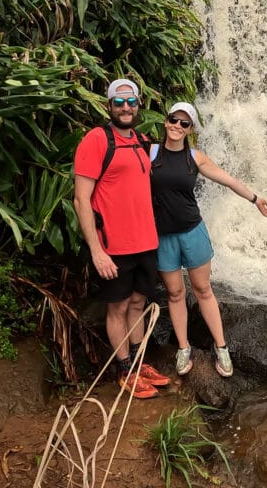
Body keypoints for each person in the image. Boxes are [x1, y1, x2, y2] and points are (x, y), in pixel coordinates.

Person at [150, 101, 267, 377]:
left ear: (190, 129)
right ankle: (183, 347)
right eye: (173, 120)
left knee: (203, 289)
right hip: (163, 236)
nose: (177, 126)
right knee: (175, 293)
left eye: (184, 123)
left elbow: (227, 180)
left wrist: (255, 198)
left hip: (193, 231)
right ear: (166, 121)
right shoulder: (151, 153)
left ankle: (221, 347)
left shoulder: (195, 157)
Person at [73, 78, 171, 399]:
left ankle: (139, 363)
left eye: (131, 102)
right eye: (119, 102)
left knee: (138, 303)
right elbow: (81, 200)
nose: (125, 108)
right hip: (114, 246)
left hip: (146, 243)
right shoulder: (97, 140)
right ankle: (123, 369)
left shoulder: (142, 141)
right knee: (117, 308)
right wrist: (97, 251)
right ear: (109, 105)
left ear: (138, 105)